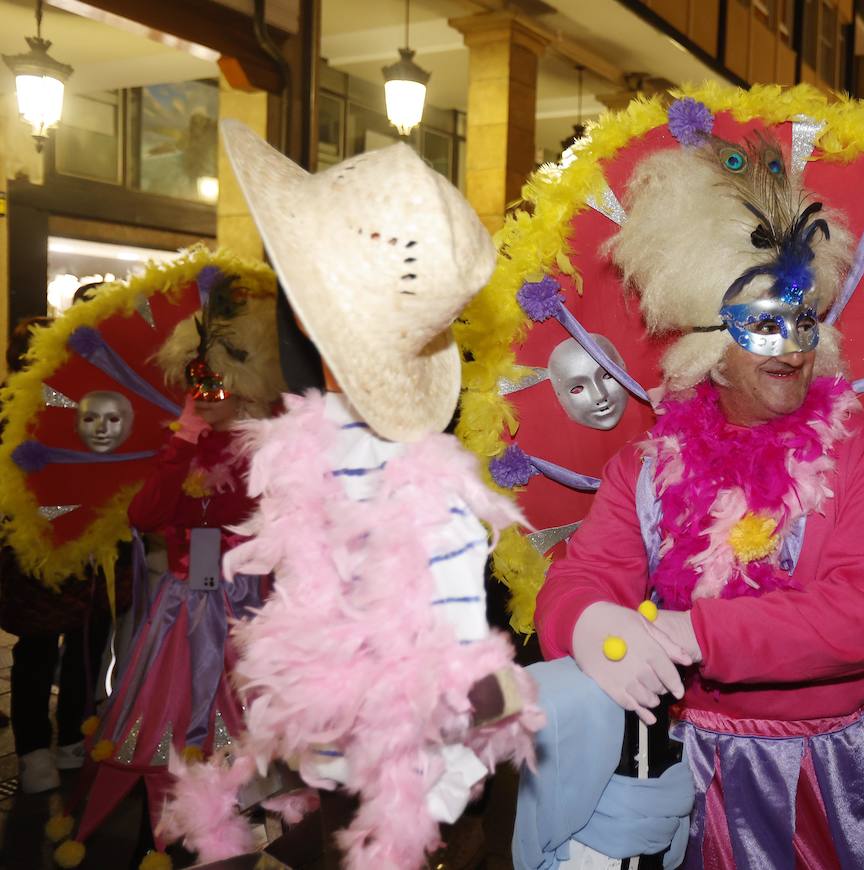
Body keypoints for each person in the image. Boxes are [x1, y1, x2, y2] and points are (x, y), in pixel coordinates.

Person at [532, 129, 864, 866]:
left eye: (804, 318)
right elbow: (579, 580)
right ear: (709, 349)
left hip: (824, 781)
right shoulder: (645, 469)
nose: (793, 346)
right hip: (685, 775)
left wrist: (696, 634)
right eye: (764, 324)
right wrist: (589, 623)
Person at [158, 122, 542, 870]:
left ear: (303, 315)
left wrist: (432, 778)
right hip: (342, 769)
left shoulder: (420, 482)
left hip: (399, 795)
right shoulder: (318, 438)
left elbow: (477, 682)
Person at [62, 259, 288, 861]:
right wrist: (183, 444)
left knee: (247, 730)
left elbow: (261, 512)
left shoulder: (271, 443)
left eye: (217, 383)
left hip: (251, 609)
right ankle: (172, 835)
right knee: (170, 721)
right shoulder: (185, 442)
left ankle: (236, 824)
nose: (206, 396)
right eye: (198, 382)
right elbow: (145, 514)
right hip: (187, 611)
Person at [2, 318, 121, 794]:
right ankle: (42, 749)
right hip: (41, 547)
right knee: (50, 645)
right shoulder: (18, 407)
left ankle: (63, 741)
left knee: (78, 641)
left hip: (81, 546)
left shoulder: (85, 405)